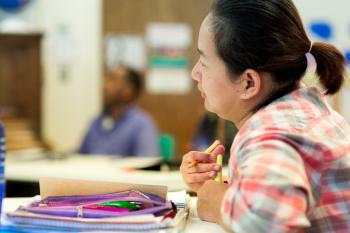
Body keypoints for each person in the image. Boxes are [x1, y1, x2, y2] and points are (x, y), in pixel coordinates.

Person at [180, 0, 350, 232]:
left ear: (249, 83)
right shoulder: (305, 110)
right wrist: (222, 187)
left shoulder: (272, 133)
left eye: (205, 63)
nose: (195, 73)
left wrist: (216, 202)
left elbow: (268, 223)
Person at [79, 65, 159, 157]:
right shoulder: (96, 122)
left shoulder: (142, 124)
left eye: (111, 80)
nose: (104, 86)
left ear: (128, 90)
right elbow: (80, 156)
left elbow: (147, 162)